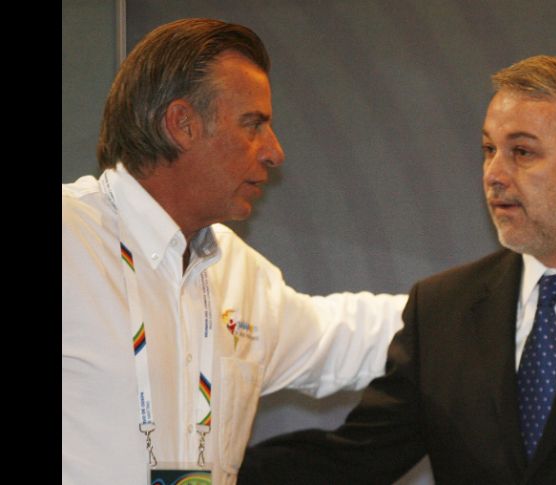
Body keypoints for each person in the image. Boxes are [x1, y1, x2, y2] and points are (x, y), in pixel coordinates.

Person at [237, 55, 556, 484]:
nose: (494, 174)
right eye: (488, 150)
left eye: (522, 152)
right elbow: (349, 461)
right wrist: (195, 474)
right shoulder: (443, 309)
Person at [62, 18, 407, 485]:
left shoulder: (239, 274)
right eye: (254, 125)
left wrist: (499, 295)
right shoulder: (71, 238)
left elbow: (348, 338)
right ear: (182, 124)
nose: (275, 152)